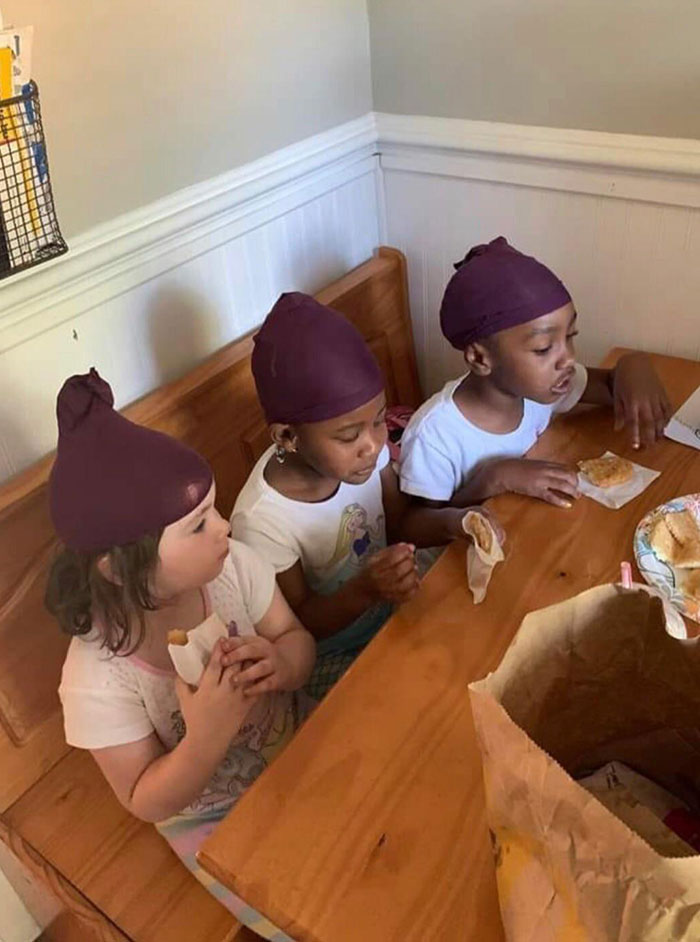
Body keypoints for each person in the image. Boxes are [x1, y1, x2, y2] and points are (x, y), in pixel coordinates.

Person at [45, 368, 315, 932]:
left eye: (214, 510)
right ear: (119, 567)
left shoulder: (233, 569)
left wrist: (283, 664)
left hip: (298, 737)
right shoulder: (97, 676)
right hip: (215, 812)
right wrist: (207, 736)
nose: (224, 528)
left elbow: (296, 640)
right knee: (309, 905)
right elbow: (143, 798)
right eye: (198, 525)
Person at [232, 293, 433, 698]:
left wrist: (459, 519)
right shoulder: (262, 520)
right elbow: (298, 626)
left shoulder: (365, 453)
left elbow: (399, 525)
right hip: (333, 653)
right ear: (287, 436)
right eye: (348, 436)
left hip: (393, 605)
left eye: (379, 421)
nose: (373, 445)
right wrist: (366, 589)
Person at [399, 237, 672, 510]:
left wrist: (633, 364)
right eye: (543, 348)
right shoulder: (434, 437)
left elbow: (612, 387)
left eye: (571, 335)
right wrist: (496, 477)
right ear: (480, 358)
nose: (568, 358)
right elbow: (417, 525)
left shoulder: (542, 387)